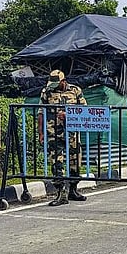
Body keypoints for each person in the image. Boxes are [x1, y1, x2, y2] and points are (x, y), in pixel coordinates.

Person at [39, 69, 88, 206]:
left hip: (72, 132)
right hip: (53, 132)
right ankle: (61, 193)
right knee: (56, 161)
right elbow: (41, 112)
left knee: (75, 160)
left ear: (63, 81)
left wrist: (69, 115)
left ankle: (73, 189)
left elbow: (84, 110)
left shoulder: (75, 90)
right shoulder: (46, 92)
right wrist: (41, 132)